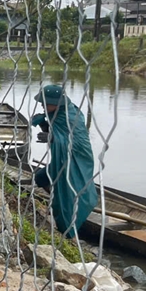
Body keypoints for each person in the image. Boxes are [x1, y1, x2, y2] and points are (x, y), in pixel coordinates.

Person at [31, 85, 98, 237]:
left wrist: (53, 138)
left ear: (57, 103)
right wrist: (44, 125)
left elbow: (78, 142)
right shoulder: (56, 113)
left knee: (71, 192)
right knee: (40, 178)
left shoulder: (71, 116)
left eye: (45, 102)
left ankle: (68, 228)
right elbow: (57, 131)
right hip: (60, 160)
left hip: (75, 160)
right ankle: (56, 198)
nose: (42, 104)